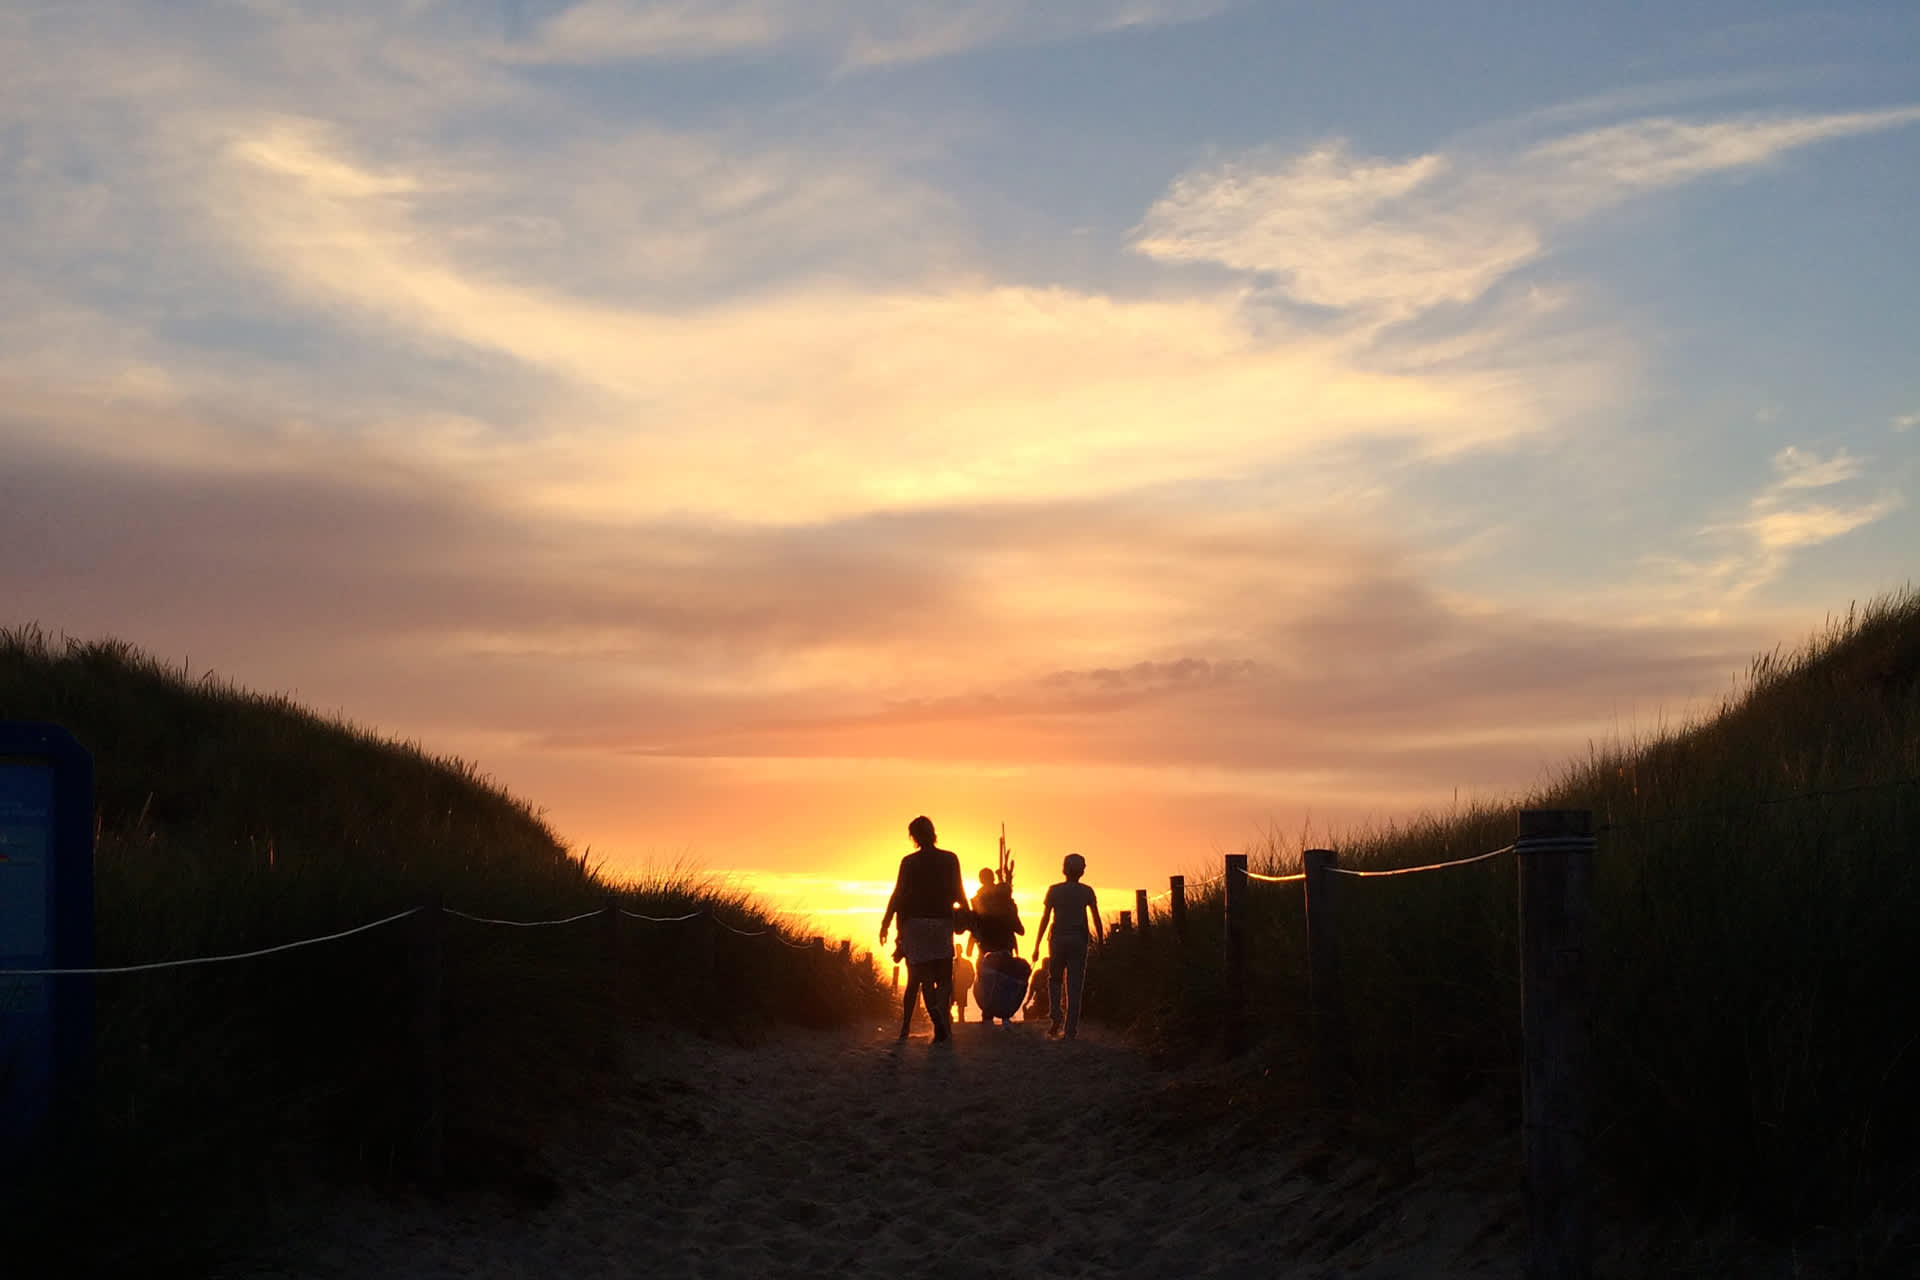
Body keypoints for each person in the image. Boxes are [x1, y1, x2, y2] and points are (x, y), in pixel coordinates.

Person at [878, 815, 967, 1044]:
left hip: (915, 924)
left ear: (913, 837)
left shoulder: (909, 862)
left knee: (922, 977)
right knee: (945, 976)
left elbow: (898, 894)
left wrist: (885, 923)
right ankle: (940, 1012)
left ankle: (933, 1020)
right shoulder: (950, 859)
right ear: (933, 832)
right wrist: (967, 917)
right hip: (941, 921)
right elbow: (959, 892)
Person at [1034, 852, 1103, 1039]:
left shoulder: (1054, 890)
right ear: (1081, 871)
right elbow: (1096, 917)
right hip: (1078, 940)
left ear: (1065, 869)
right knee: (1074, 984)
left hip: (1057, 940)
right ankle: (1070, 1028)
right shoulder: (1087, 891)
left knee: (1054, 979)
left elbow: (1045, 918)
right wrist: (1102, 942)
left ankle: (1056, 1016)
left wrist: (1037, 945)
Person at [967, 867, 1025, 958]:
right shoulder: (1002, 898)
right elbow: (975, 923)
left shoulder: (1001, 897)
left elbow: (975, 923)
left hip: (993, 945)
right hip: (994, 945)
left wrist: (970, 945)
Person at [951, 944, 975, 1024]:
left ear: (961, 950)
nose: (957, 951)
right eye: (956, 949)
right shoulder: (952, 963)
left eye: (959, 949)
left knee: (961, 1007)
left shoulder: (966, 963)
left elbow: (972, 973)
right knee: (949, 1004)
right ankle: (951, 1019)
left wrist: (969, 984)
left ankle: (961, 1021)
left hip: (962, 986)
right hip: (953, 986)